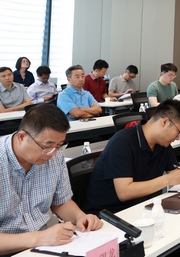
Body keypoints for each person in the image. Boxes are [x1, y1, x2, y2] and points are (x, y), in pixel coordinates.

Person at [0, 103, 103, 255]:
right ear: (22, 137)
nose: (53, 153)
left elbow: (61, 202)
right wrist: (39, 238)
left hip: (42, 246)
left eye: (60, 145)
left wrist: (80, 217)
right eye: (47, 146)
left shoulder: (55, 155)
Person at [83, 99, 180, 214]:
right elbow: (124, 193)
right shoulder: (122, 142)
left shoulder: (163, 144)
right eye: (179, 131)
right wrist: (168, 179)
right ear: (164, 122)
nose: (178, 137)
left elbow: (178, 173)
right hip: (108, 214)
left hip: (142, 208)